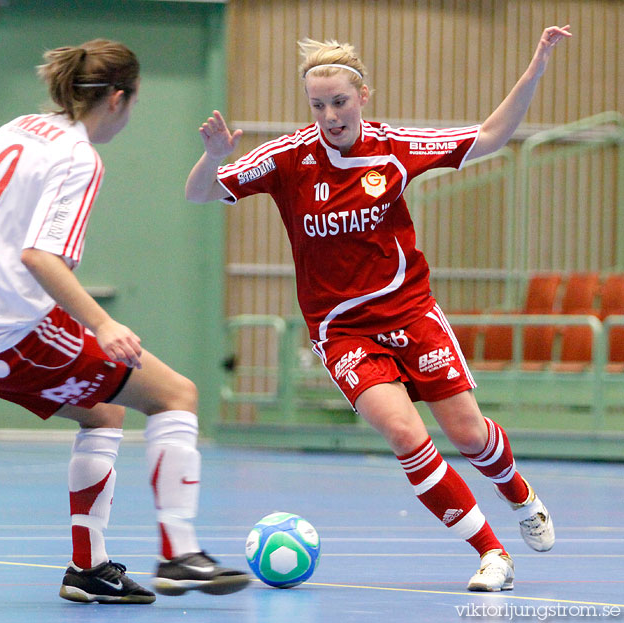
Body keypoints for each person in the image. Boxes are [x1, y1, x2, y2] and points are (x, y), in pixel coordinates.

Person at [185, 26, 572, 591]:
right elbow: (200, 192)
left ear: (363, 96)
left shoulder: (393, 149)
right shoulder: (289, 159)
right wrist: (211, 157)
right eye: (318, 105)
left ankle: (520, 495)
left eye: (339, 101)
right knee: (404, 435)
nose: (330, 115)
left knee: (467, 434)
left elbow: (490, 136)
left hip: (411, 314)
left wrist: (535, 68)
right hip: (342, 331)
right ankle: (491, 553)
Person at [0, 39, 250, 604]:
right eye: (133, 104)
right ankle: (180, 554)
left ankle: (89, 568)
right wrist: (102, 324)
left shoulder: (18, 128)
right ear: (117, 98)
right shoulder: (79, 157)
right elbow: (39, 255)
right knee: (176, 395)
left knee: (104, 411)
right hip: (11, 332)